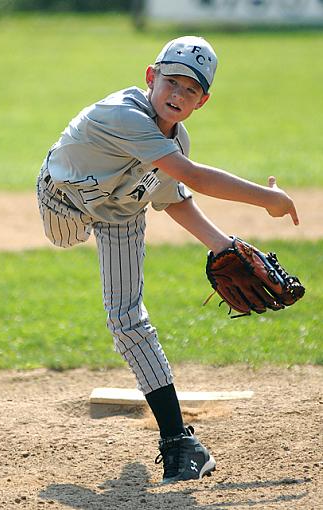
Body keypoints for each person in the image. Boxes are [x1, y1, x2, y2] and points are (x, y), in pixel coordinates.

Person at [36, 36, 299, 484]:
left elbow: (174, 196)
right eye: (171, 81)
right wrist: (267, 198)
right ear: (150, 77)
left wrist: (221, 246)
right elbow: (194, 177)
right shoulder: (123, 114)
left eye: (191, 89)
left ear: (203, 100)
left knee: (127, 321)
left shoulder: (177, 139)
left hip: (122, 212)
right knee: (66, 239)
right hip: (65, 201)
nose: (178, 94)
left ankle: (179, 442)